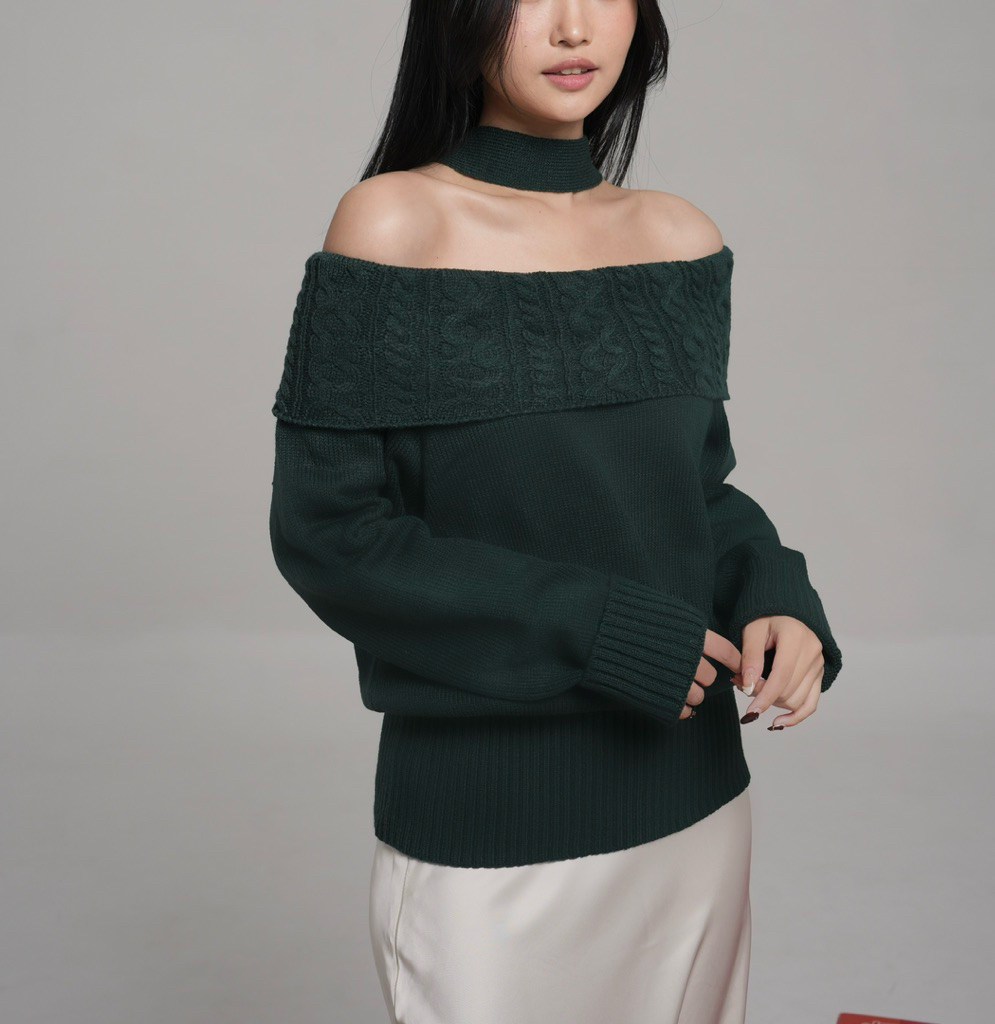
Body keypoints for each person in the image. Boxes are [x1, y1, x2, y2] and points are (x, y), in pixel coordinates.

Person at [268, 1, 843, 1021]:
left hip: (695, 805)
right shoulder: (394, 224)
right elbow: (333, 537)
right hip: (488, 830)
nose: (574, 27)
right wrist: (602, 631)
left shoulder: (679, 236)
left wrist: (777, 594)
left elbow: (695, 494)